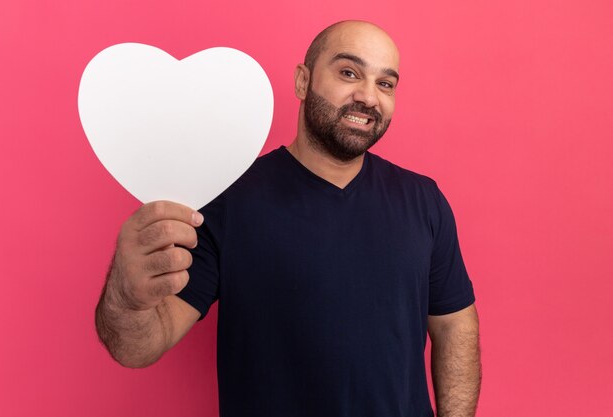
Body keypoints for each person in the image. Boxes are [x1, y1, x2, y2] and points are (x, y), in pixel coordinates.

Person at [95, 20, 481, 417]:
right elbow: (138, 347)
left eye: (385, 84)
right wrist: (126, 296)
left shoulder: (423, 200)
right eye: (349, 73)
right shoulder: (228, 201)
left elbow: (455, 325)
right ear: (302, 81)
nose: (368, 97)